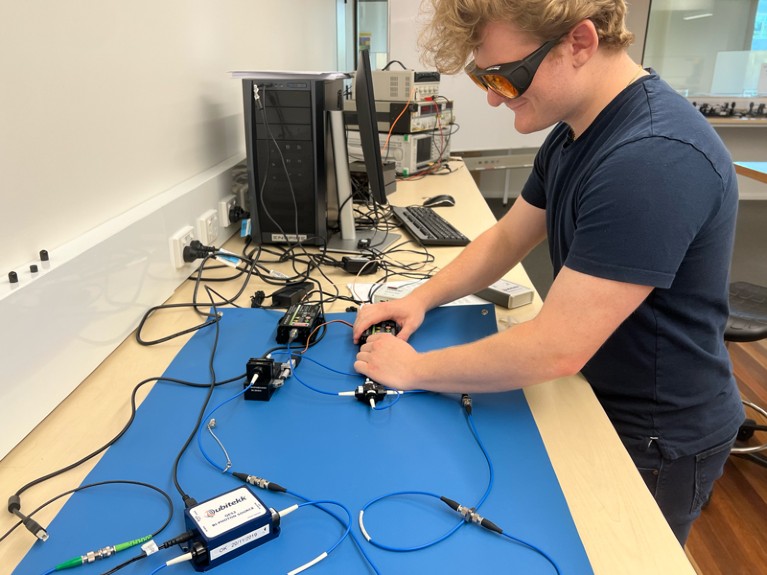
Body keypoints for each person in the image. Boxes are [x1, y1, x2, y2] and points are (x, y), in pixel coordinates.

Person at [353, 0, 744, 545]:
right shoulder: (576, 130)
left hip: (655, 432)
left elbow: (558, 346)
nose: (491, 97)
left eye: (504, 77)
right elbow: (508, 237)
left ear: (579, 43)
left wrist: (413, 370)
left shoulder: (652, 158)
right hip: (596, 392)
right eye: (481, 76)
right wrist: (421, 297)